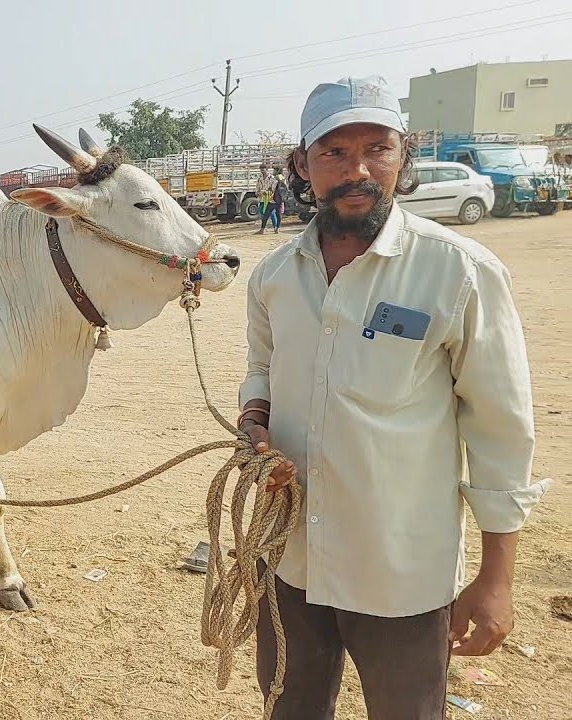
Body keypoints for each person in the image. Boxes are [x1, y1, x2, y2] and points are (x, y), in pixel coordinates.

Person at [239, 75, 548, 719]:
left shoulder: (459, 271)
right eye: (334, 153)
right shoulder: (274, 275)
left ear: (403, 154)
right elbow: (261, 371)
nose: (358, 171)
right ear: (302, 165)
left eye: (377, 149)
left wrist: (496, 580)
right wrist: (254, 421)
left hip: (401, 575)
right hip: (291, 562)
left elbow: (501, 431)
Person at [256, 164, 279, 234]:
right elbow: (257, 188)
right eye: (261, 170)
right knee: (261, 211)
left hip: (270, 198)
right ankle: (264, 228)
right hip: (262, 198)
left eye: (263, 169)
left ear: (267, 170)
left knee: (271, 213)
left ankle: (275, 228)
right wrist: (258, 193)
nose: (262, 171)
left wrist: (267, 192)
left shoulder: (272, 178)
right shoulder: (260, 179)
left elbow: (274, 189)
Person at [271, 166, 288, 232]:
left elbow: (274, 187)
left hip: (276, 197)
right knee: (278, 213)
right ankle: (277, 227)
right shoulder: (281, 177)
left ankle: (276, 227)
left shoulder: (277, 177)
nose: (273, 172)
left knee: (272, 212)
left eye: (274, 170)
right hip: (279, 198)